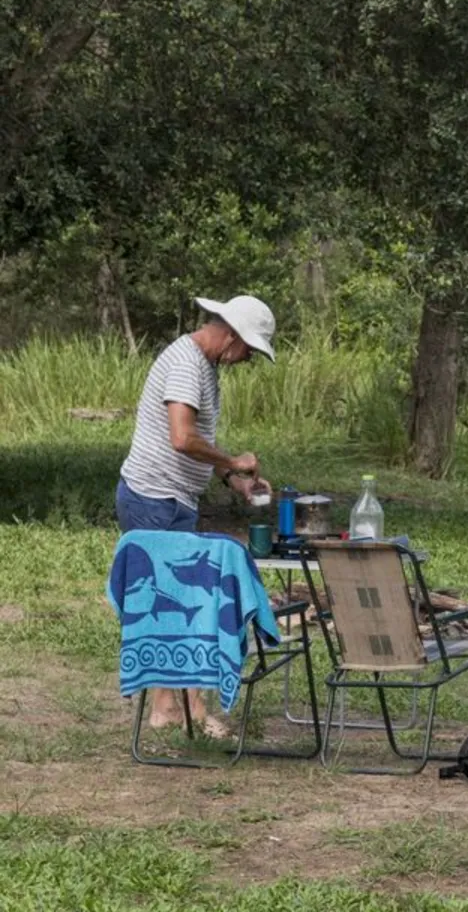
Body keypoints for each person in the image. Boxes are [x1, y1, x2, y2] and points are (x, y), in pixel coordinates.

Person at [116, 294, 277, 736]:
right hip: (151, 497)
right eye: (249, 349)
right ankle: (178, 708)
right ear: (231, 336)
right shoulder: (186, 361)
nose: (247, 359)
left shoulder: (204, 366)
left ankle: (178, 707)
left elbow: (195, 445)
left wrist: (233, 479)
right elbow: (182, 438)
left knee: (177, 603)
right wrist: (234, 460)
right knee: (168, 605)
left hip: (174, 498)